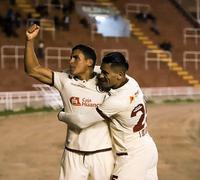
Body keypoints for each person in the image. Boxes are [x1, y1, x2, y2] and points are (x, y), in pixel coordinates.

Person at [24, 24, 114, 180]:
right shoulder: (64, 80)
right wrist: (29, 41)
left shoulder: (107, 81)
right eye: (70, 57)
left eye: (76, 58)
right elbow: (32, 69)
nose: (71, 61)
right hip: (73, 154)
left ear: (89, 62)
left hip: (103, 153)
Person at [58, 52, 158, 180]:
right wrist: (78, 68)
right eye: (102, 71)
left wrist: (62, 115)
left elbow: (82, 121)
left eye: (105, 74)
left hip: (132, 157)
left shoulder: (117, 101)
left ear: (119, 75)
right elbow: (98, 68)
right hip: (148, 148)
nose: (101, 76)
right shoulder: (131, 82)